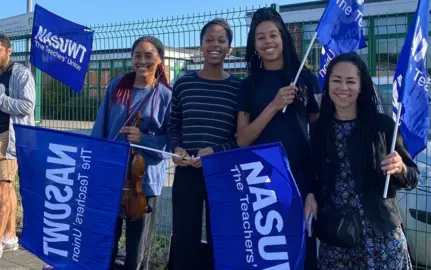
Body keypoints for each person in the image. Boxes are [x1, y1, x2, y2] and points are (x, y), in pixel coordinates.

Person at [305, 52, 419, 269]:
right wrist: (310, 193)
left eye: (351, 81)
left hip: (380, 236)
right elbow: (313, 171)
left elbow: (413, 177)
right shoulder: (319, 129)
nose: (343, 87)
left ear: (361, 87)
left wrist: (401, 168)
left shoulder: (383, 126)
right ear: (328, 84)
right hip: (337, 236)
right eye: (337, 80)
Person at [235, 7, 320, 268]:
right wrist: (273, 105)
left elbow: (320, 138)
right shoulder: (247, 85)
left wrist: (315, 189)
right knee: (270, 255)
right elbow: (242, 140)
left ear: (284, 38)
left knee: (302, 254)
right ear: (254, 44)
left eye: (274, 35)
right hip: (261, 183)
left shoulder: (306, 79)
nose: (268, 42)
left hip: (302, 180)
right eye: (261, 37)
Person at [88, 36, 171, 270]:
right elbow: (100, 127)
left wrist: (143, 139)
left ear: (160, 60)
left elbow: (169, 143)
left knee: (137, 250)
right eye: (137, 55)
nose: (142, 60)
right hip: (112, 175)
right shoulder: (117, 87)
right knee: (105, 243)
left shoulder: (166, 95)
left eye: (149, 55)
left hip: (142, 184)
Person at [167, 18, 241, 270]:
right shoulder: (184, 84)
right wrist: (176, 148)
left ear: (229, 49)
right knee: (183, 239)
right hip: (187, 173)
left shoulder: (238, 88)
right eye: (209, 39)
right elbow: (173, 125)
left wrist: (216, 152)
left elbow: (241, 138)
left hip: (221, 176)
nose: (214, 45)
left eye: (221, 40)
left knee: (219, 239)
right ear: (200, 46)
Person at [0, 34, 36, 259]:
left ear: (8, 51)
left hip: (11, 138)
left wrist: (1, 100)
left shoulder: (21, 74)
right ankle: (11, 236)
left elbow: (27, 105)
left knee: (3, 187)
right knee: (7, 187)